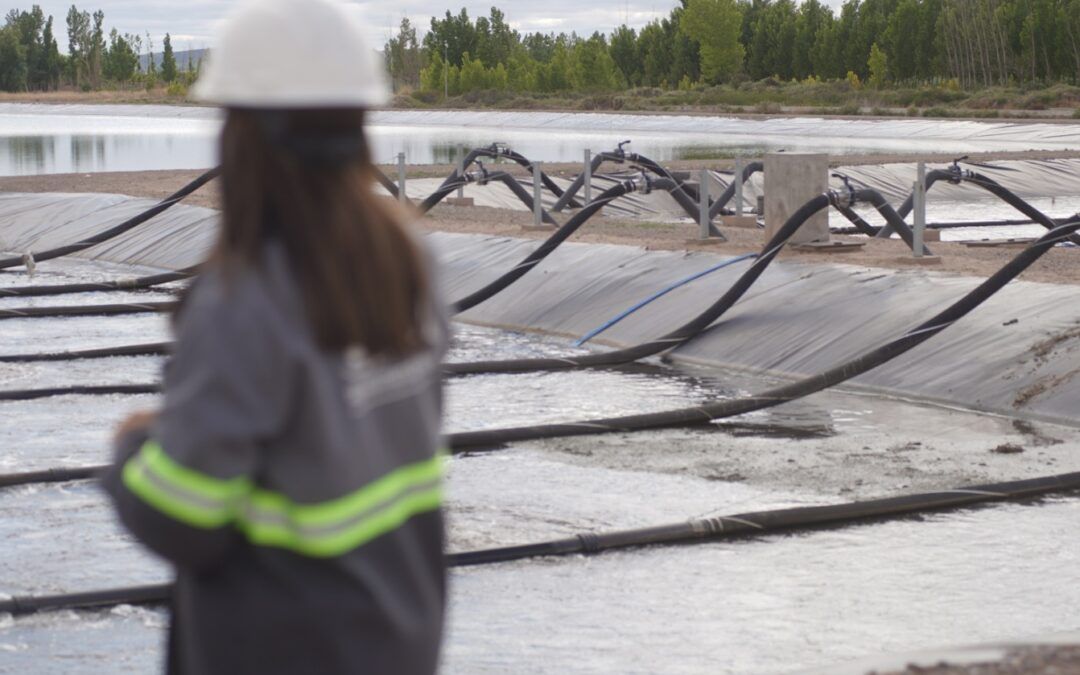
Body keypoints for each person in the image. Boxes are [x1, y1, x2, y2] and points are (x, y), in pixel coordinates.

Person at [102, 1, 448, 673]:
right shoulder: (414, 263)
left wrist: (129, 450)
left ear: (244, 137)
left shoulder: (245, 300)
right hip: (396, 643)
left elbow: (181, 516)